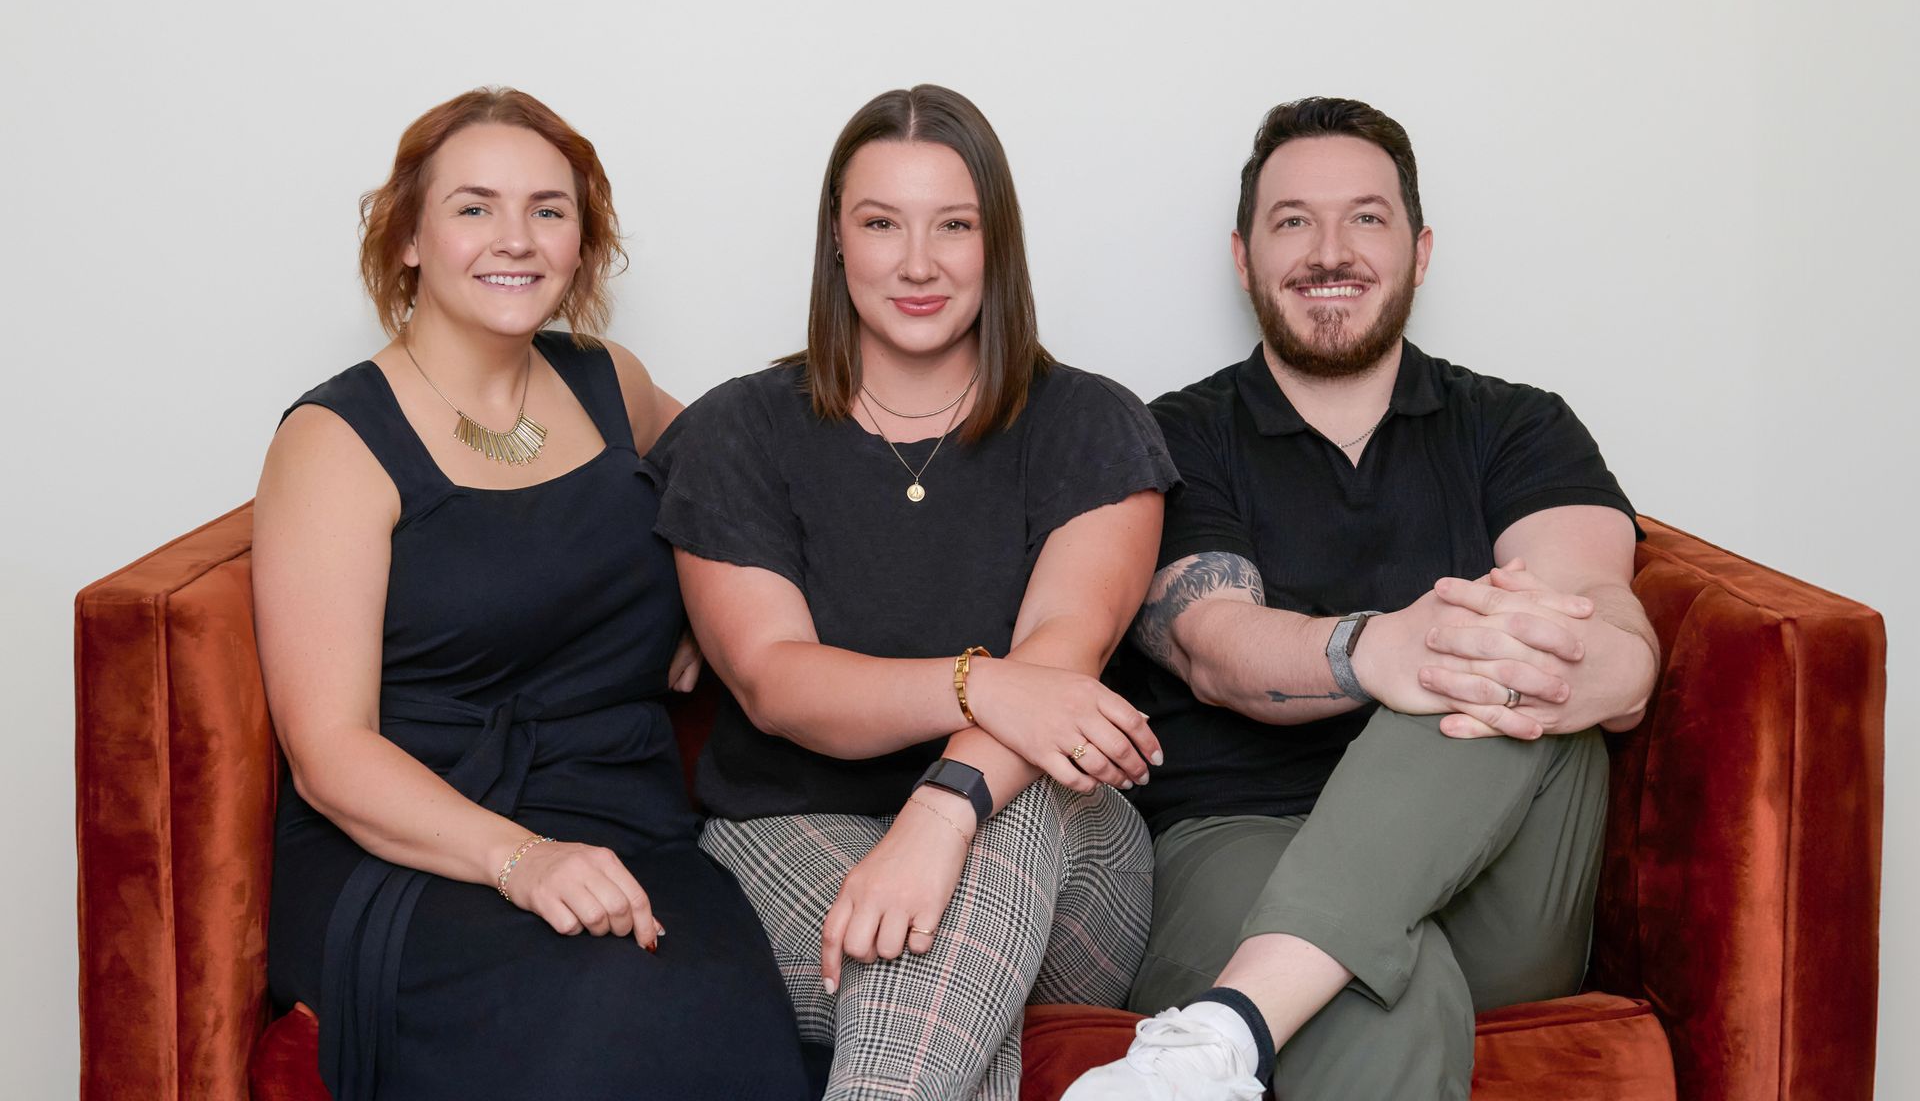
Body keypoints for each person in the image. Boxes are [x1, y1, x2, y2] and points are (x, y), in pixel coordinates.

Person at [1065, 97, 1659, 1101]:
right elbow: (1215, 642)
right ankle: (1268, 992)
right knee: (1395, 985)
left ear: (1421, 250)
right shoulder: (1172, 437)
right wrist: (1373, 649)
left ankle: (1233, 1022)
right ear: (1243, 256)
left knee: (1494, 648)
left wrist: (1578, 660)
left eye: (1367, 217)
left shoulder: (1518, 426)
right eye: (1292, 220)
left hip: (1499, 878)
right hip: (1237, 843)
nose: (1329, 250)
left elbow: (1601, 612)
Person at [254, 88, 810, 1100]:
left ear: (582, 240)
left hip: (627, 822)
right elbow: (329, 752)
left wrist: (700, 600)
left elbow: (745, 485)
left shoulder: (612, 383)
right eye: (474, 207)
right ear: (410, 236)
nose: (515, 238)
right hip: (415, 847)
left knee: (728, 1019)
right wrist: (524, 860)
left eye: (549, 209)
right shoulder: (334, 441)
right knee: (605, 1014)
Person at [641, 84, 1179, 1101]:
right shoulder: (742, 431)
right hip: (788, 835)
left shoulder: (1090, 424)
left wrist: (945, 806)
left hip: (1065, 859)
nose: (918, 261)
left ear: (998, 244)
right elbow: (775, 680)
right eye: (881, 223)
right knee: (923, 967)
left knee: (1039, 774)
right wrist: (985, 685)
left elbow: (1061, 656)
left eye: (955, 225)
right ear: (836, 243)